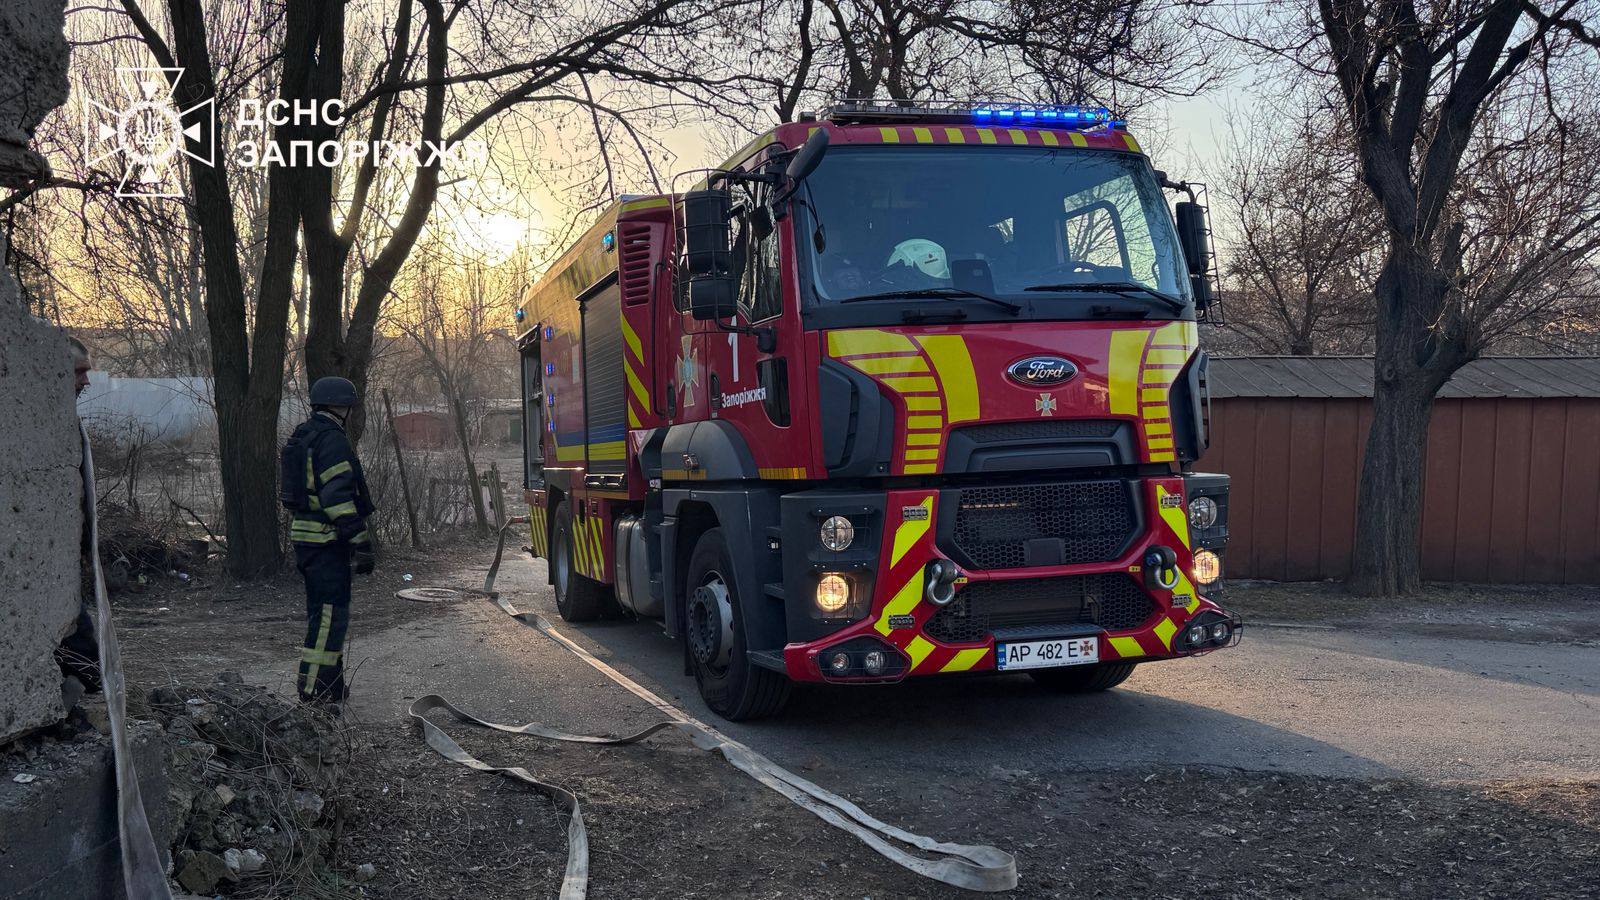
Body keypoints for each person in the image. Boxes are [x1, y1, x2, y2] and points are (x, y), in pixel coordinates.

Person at [281, 376, 375, 706]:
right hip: (326, 542)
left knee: (326, 616)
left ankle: (331, 686)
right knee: (328, 621)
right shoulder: (332, 440)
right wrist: (360, 541)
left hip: (307, 540)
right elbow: (337, 498)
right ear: (344, 407)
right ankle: (313, 693)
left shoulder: (305, 434)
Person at [59, 335, 102, 704]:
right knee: (81, 647)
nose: (86, 381)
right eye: (78, 372)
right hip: (44, 565)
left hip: (64, 561)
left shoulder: (65, 424)